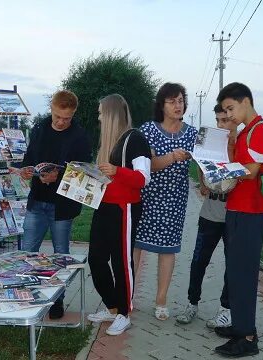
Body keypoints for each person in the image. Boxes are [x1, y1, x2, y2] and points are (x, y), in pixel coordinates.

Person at [13, 90, 92, 319]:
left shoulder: (79, 136)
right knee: (27, 252)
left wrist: (59, 176)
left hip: (62, 205)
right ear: (52, 109)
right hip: (37, 200)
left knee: (61, 254)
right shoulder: (39, 127)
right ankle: (25, 296)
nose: (61, 121)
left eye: (66, 118)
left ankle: (58, 300)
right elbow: (29, 157)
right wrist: (26, 170)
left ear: (73, 113)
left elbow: (84, 171)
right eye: (58, 116)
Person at [213, 82, 263, 357]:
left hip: (251, 212)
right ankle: (240, 326)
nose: (229, 115)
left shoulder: (260, 130)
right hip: (238, 209)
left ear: (246, 101)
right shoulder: (246, 132)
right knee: (236, 273)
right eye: (225, 110)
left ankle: (248, 338)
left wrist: (223, 171)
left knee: (244, 274)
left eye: (231, 108)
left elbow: (251, 171)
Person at [86, 94, 152, 335]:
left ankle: (124, 312)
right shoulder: (109, 142)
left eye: (102, 112)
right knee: (96, 258)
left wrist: (117, 171)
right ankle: (113, 306)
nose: (99, 117)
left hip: (125, 208)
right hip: (104, 206)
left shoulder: (135, 139)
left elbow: (143, 178)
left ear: (112, 114)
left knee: (122, 262)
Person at [133, 82, 197, 320]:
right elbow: (146, 165)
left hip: (175, 200)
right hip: (147, 197)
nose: (177, 105)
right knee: (135, 246)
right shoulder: (147, 130)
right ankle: (128, 296)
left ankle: (161, 300)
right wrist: (171, 157)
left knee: (168, 250)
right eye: (172, 101)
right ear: (161, 105)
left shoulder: (192, 133)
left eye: (180, 100)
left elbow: (202, 164)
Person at [176, 104, 237, 327]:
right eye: (219, 120)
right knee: (199, 260)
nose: (222, 125)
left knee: (232, 264)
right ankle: (192, 303)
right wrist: (203, 180)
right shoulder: (210, 143)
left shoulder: (242, 146)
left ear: (236, 120)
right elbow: (202, 177)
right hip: (210, 213)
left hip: (235, 217)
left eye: (227, 120)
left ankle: (226, 309)